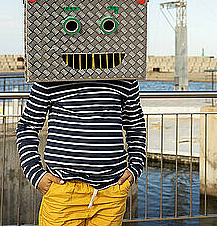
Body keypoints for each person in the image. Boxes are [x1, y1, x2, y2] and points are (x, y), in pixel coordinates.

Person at [16, 79, 146, 226]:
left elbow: (135, 124)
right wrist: (36, 175)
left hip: (112, 192)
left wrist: (136, 166)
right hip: (63, 190)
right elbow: (27, 126)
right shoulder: (48, 75)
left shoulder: (126, 76)